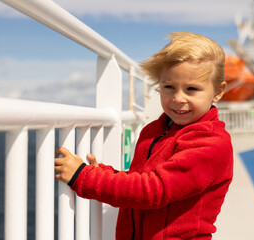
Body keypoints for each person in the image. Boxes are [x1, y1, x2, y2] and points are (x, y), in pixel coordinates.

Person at [54, 31, 233, 240]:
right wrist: (103, 172)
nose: (177, 98)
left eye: (191, 89)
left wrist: (83, 176)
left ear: (218, 92)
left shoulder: (211, 144)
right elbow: (141, 178)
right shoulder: (154, 130)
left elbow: (153, 190)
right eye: (169, 87)